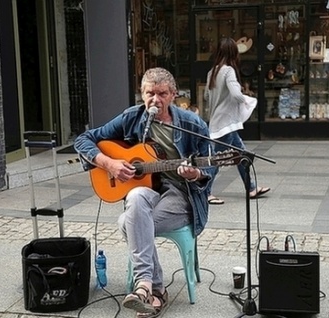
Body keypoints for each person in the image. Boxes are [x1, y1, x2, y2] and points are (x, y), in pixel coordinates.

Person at [74, 67, 216, 318]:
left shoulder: (192, 124)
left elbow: (211, 163)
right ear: (142, 94)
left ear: (173, 94)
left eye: (162, 93)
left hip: (182, 195)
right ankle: (150, 288)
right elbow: (84, 139)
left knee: (129, 223)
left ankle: (150, 289)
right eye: (150, 93)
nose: (155, 100)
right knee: (136, 196)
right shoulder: (133, 117)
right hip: (149, 191)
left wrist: (195, 174)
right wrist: (111, 164)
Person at [204, 37, 270, 205]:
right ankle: (206, 192)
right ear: (234, 52)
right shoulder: (228, 71)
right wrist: (245, 99)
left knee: (241, 155)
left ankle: (251, 188)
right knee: (218, 159)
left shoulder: (212, 72)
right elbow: (236, 94)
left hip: (217, 121)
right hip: (226, 123)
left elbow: (206, 96)